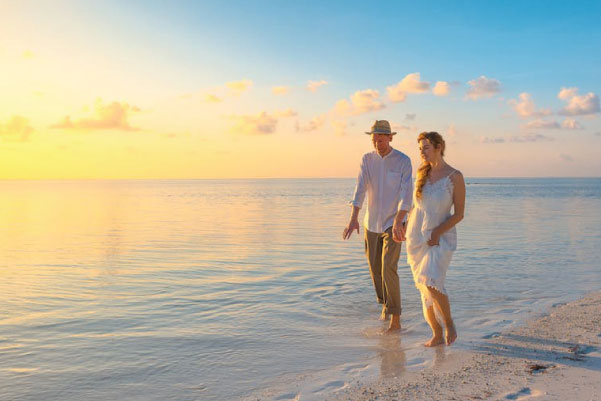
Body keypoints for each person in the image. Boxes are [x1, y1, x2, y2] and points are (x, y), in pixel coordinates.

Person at [343, 120, 413, 333]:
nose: (377, 143)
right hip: (370, 223)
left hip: (394, 224)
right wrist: (353, 217)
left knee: (388, 268)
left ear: (390, 137)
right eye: (374, 140)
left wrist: (399, 219)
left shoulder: (403, 161)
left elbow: (407, 193)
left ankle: (396, 318)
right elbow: (360, 189)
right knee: (375, 270)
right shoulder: (367, 159)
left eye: (381, 139)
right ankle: (385, 305)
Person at [406, 131, 465, 346]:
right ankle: (436, 333)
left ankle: (449, 323)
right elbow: (415, 206)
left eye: (426, 147)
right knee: (423, 287)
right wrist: (401, 224)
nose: (422, 152)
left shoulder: (454, 177)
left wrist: (437, 232)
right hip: (416, 237)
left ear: (439, 146)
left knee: (430, 280)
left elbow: (459, 213)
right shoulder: (421, 174)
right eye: (420, 148)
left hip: (440, 236)